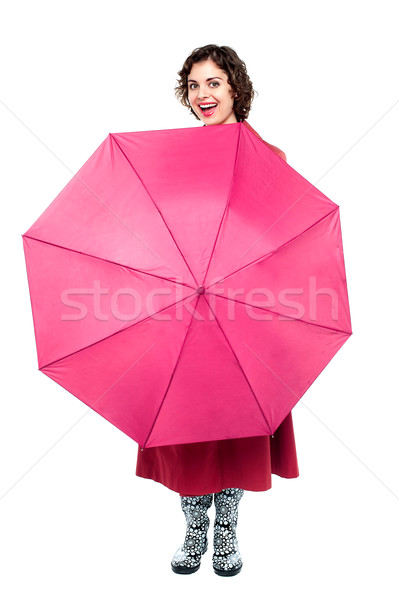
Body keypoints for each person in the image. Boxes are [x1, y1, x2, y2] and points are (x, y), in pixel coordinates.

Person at [135, 44, 299, 577]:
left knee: (236, 427)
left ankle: (226, 528)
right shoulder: (174, 160)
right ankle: (193, 525)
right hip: (184, 310)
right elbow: (156, 233)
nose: (204, 95)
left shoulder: (267, 157)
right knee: (188, 427)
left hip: (244, 311)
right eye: (195, 85)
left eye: (215, 83)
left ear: (235, 88)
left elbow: (282, 241)